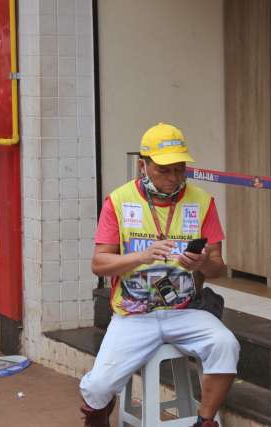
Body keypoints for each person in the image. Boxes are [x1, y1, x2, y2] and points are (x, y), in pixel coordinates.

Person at [79, 123, 239, 427]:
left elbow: (220, 268)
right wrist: (142, 255)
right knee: (97, 387)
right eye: (165, 170)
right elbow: (99, 264)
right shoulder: (119, 201)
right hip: (133, 315)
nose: (174, 177)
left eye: (180, 169)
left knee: (225, 343)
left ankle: (205, 421)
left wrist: (202, 264)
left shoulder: (203, 202)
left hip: (185, 310)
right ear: (143, 166)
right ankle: (99, 412)